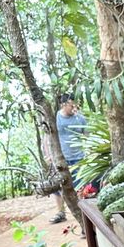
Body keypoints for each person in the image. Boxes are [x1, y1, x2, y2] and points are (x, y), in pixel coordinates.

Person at [45, 93, 87, 224]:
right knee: (58, 188)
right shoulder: (55, 118)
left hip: (78, 157)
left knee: (80, 187)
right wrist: (48, 154)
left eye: (75, 104)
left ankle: (84, 216)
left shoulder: (80, 118)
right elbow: (47, 138)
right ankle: (60, 212)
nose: (74, 107)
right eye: (71, 104)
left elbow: (87, 136)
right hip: (60, 158)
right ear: (63, 104)